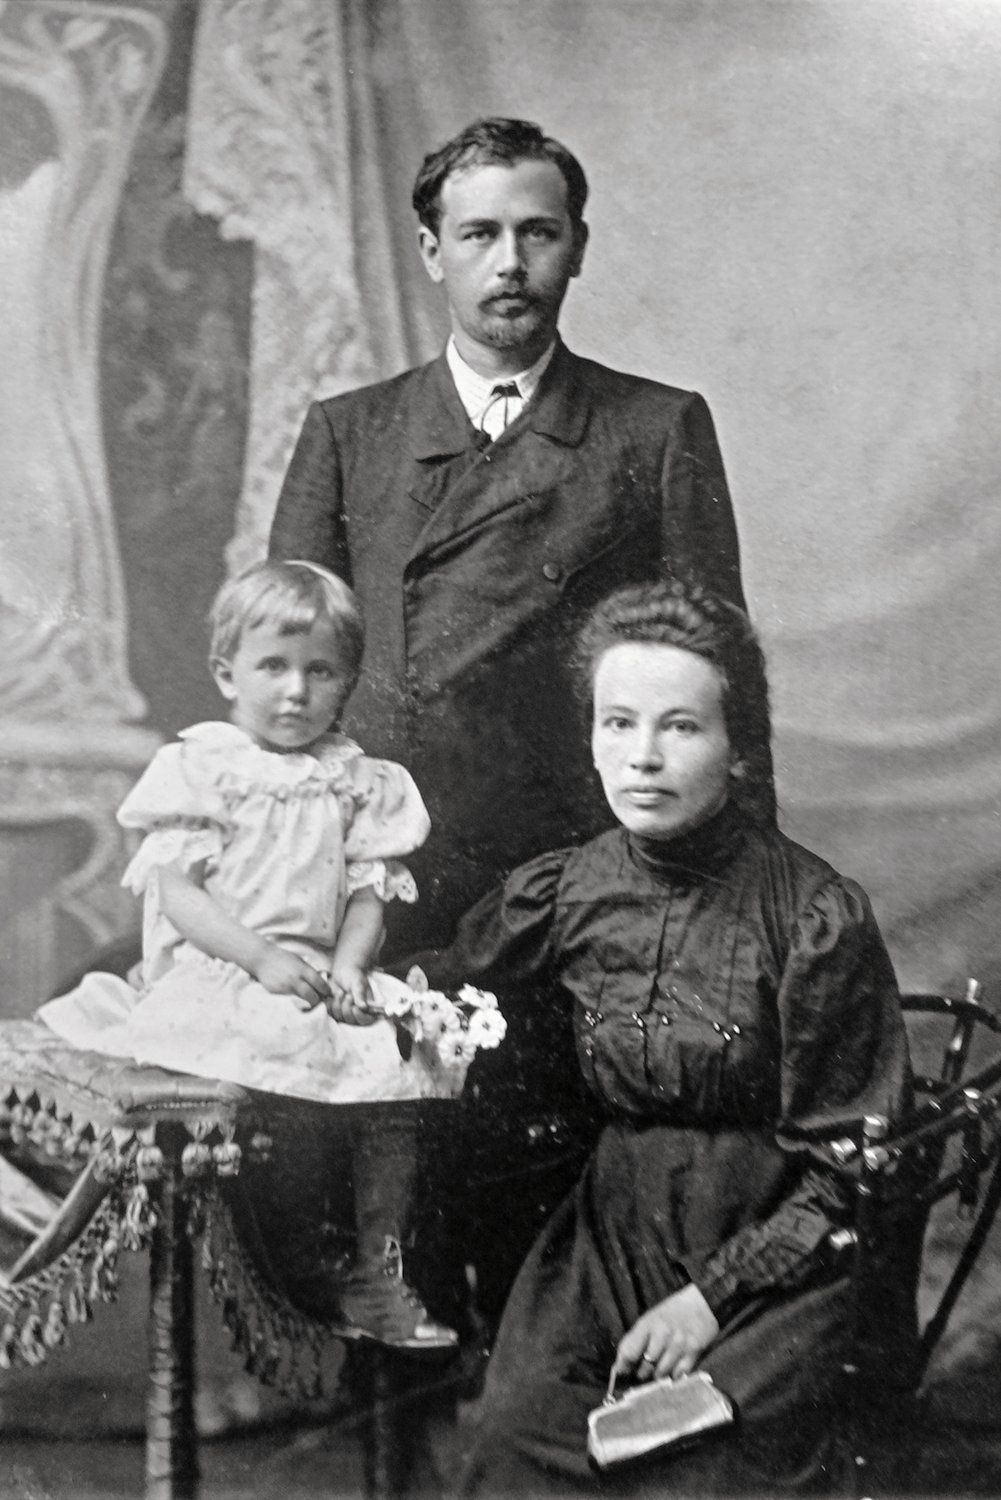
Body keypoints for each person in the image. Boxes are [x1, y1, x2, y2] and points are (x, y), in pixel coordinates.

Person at [270, 116, 768, 1310]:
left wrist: (733, 890)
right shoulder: (352, 431)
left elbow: (718, 677)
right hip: (382, 865)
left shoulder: (651, 429)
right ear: (430, 250)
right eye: (479, 233)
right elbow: (285, 667)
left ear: (577, 250)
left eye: (536, 234)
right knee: (375, 1180)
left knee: (538, 1180)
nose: (509, 264)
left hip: (571, 868)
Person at [410, 577, 913, 1495]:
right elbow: (432, 984)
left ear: (738, 748)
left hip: (783, 1256)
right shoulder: (566, 890)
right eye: (617, 723)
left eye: (679, 727)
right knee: (519, 1438)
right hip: (612, 1232)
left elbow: (851, 1167)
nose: (642, 757)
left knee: (685, 1461)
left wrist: (710, 1301)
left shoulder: (812, 917)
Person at [36, 559, 462, 1351]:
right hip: (226, 968)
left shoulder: (356, 781)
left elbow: (367, 893)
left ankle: (378, 1265)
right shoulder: (206, 768)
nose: (296, 691)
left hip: (314, 972)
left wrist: (349, 967)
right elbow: (181, 896)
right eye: (274, 667)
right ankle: (301, 1261)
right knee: (285, 1067)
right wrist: (262, 958)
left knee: (406, 1061)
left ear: (347, 681)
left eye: (320, 671)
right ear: (227, 672)